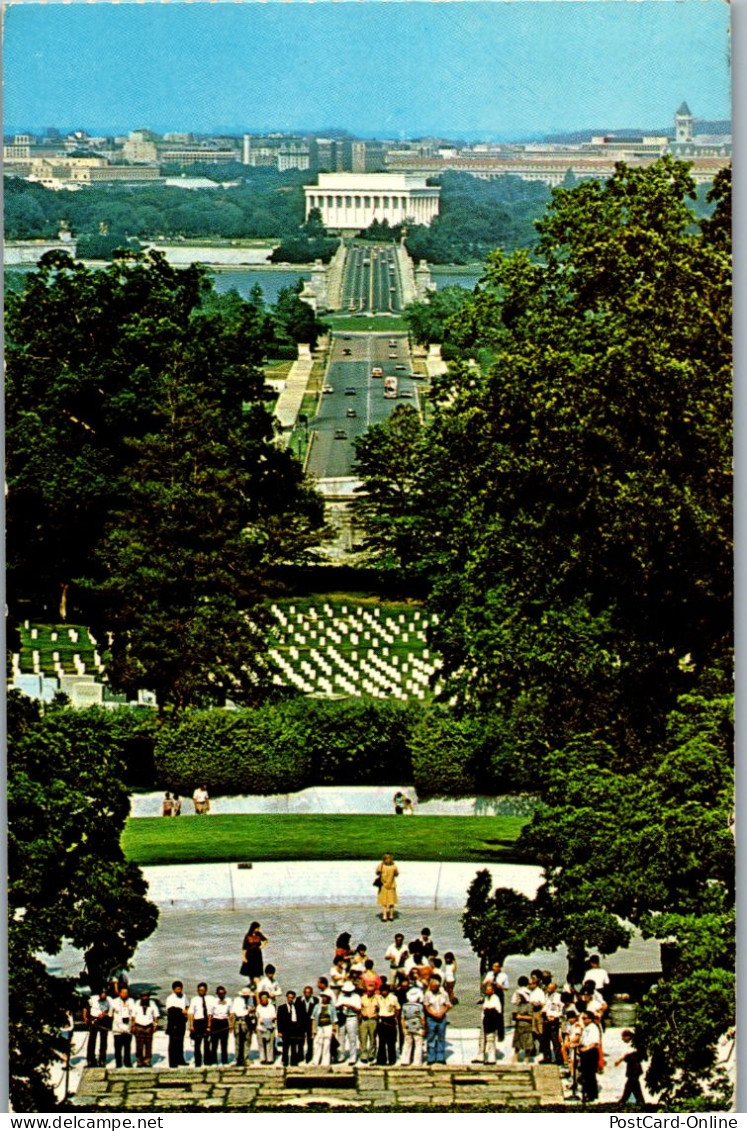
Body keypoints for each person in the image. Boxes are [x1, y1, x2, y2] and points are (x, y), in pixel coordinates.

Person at [423, 975, 452, 1064]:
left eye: (434, 987)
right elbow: (426, 1006)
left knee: (441, 1038)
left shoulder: (444, 994)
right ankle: (431, 1058)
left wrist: (441, 1013)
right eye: (431, 987)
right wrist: (434, 1014)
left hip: (441, 1017)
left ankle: (440, 1057)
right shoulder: (427, 994)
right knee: (431, 1038)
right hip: (431, 1018)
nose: (432, 989)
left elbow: (448, 1005)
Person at [616, 1029, 646, 1106]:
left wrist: (620, 1060)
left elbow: (628, 1055)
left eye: (623, 1037)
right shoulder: (632, 1044)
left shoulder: (634, 1045)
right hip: (632, 1067)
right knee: (635, 1085)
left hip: (634, 1067)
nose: (622, 1039)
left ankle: (623, 1100)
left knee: (630, 1085)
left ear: (628, 1036)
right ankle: (640, 1100)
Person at [189, 983, 216, 1068]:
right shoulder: (194, 1000)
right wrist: (191, 1025)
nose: (202, 992)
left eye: (203, 990)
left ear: (206, 990)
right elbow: (191, 1013)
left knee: (207, 1043)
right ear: (197, 991)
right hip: (198, 1022)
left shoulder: (211, 999)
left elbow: (211, 1013)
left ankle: (207, 1061)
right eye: (200, 990)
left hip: (206, 1022)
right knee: (197, 1044)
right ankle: (198, 1062)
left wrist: (209, 1025)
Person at [84, 988, 113, 1068]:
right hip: (94, 1020)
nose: (103, 996)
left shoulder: (109, 1001)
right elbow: (86, 1008)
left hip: (104, 1021)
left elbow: (111, 1012)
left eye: (105, 994)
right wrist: (85, 1017)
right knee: (92, 1041)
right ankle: (90, 1060)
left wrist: (105, 1014)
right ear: (99, 995)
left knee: (103, 1041)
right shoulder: (93, 999)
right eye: (102, 994)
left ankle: (102, 1059)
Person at [277, 990, 306, 1067]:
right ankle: (285, 1061)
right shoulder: (281, 1008)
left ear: (294, 998)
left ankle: (293, 1061)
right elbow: (279, 1020)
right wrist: (280, 1031)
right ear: (286, 997)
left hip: (294, 1030)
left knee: (294, 1047)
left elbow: (299, 1018)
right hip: (285, 1030)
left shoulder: (296, 1007)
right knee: (285, 1046)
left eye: (292, 998)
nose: (290, 999)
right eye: (289, 997)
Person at [336, 980, 362, 1065]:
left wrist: (351, 1006)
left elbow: (359, 1009)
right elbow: (337, 1006)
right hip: (343, 1017)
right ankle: (341, 1055)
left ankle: (353, 1057)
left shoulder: (356, 996)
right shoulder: (341, 996)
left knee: (352, 1038)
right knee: (341, 1038)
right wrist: (341, 1006)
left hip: (352, 1017)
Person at [578, 1011, 602, 1103]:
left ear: (590, 1019)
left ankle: (591, 1095)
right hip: (585, 1052)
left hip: (590, 1053)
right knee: (585, 1074)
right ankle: (587, 1092)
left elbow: (594, 1042)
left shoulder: (593, 1028)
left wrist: (585, 1049)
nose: (583, 1020)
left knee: (590, 1074)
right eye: (582, 1018)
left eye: (585, 1018)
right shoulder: (586, 1028)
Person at [165, 981, 189, 1067]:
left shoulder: (184, 996)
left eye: (180, 988)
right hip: (173, 1022)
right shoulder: (170, 998)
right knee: (173, 1043)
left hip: (182, 1022)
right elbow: (170, 1010)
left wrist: (186, 1012)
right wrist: (181, 1011)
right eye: (177, 989)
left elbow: (187, 1005)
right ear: (174, 989)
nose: (179, 990)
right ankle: (172, 1062)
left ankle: (180, 1059)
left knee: (180, 1042)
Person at [132, 991, 159, 1068]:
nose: (145, 998)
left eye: (147, 996)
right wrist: (133, 1026)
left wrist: (156, 1024)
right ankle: (139, 1060)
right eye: (143, 996)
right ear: (141, 997)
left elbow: (156, 1015)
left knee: (148, 1044)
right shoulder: (137, 1003)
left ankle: (147, 1060)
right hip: (139, 1026)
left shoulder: (152, 1004)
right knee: (139, 1044)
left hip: (148, 1026)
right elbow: (133, 1016)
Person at [511, 977, 535, 1063]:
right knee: (518, 1041)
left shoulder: (527, 1005)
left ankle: (525, 1057)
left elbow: (532, 1017)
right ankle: (517, 1056)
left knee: (526, 1041)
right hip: (520, 1025)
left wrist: (521, 1017)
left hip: (526, 1025)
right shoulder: (530, 993)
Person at [311, 991, 338, 1066]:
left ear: (328, 999)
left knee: (327, 1044)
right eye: (323, 997)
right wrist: (313, 1029)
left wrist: (334, 1030)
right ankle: (316, 1060)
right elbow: (313, 1018)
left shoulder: (332, 1008)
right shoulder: (317, 1006)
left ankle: (325, 1061)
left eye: (325, 997)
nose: (324, 999)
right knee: (317, 1043)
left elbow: (334, 1020)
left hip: (328, 1027)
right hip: (319, 1027)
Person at [400, 987, 426, 1066]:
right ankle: (417, 1062)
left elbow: (402, 1018)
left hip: (408, 1027)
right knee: (418, 1045)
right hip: (417, 1028)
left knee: (407, 1044)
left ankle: (405, 1060)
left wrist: (403, 1027)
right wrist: (424, 1028)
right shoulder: (419, 1006)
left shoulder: (405, 1006)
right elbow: (422, 1018)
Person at [376, 982, 401, 1065]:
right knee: (381, 1042)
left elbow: (397, 1008)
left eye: (385, 991)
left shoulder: (393, 998)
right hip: (381, 1020)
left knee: (391, 1042)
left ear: (388, 991)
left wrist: (394, 1017)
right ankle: (381, 1060)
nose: (384, 992)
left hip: (390, 1019)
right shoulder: (378, 998)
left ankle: (392, 1060)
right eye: (382, 991)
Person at [111, 987, 135, 1068]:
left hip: (128, 1028)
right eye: (123, 993)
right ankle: (118, 1063)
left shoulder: (131, 1001)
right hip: (117, 1029)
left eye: (126, 993)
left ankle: (127, 1062)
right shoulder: (114, 1002)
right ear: (119, 993)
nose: (125, 994)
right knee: (118, 1048)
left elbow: (133, 1014)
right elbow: (110, 1014)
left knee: (127, 1047)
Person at [231, 986, 255, 1067]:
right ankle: (238, 1058)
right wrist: (248, 1010)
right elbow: (237, 1012)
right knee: (238, 1041)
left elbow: (252, 1010)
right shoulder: (237, 1001)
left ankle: (246, 1057)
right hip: (239, 1022)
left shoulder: (250, 1000)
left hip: (248, 1022)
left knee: (247, 1040)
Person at [209, 986, 232, 1065]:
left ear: (225, 993)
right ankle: (213, 1061)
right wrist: (209, 1026)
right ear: (217, 994)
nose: (221, 995)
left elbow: (230, 1014)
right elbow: (210, 1014)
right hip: (215, 1022)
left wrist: (231, 1024)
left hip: (224, 1022)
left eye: (223, 993)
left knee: (224, 1043)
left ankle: (224, 1060)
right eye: (220, 993)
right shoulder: (213, 1001)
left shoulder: (229, 1001)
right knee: (214, 1043)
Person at [481, 982, 503, 1063]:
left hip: (492, 1020)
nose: (487, 991)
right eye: (487, 990)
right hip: (486, 1020)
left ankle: (491, 1057)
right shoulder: (486, 998)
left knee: (491, 1039)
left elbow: (498, 1010)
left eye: (489, 990)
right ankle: (488, 1057)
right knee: (487, 1039)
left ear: (493, 990)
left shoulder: (495, 998)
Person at [359, 985, 381, 1065]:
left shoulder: (377, 999)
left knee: (373, 1038)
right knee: (363, 1038)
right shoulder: (363, 998)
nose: (369, 992)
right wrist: (361, 1014)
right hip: (364, 1020)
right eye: (368, 991)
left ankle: (371, 1054)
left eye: (371, 991)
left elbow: (380, 1009)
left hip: (373, 1020)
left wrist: (377, 1015)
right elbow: (360, 1008)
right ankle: (364, 1054)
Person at [375, 853, 399, 922]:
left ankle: (384, 916)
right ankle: (391, 916)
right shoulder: (394, 866)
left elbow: (377, 872)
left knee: (384, 902)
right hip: (392, 885)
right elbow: (397, 874)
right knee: (391, 902)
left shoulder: (381, 865)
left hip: (383, 886)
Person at [256, 991, 277, 1064]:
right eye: (262, 998)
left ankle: (270, 1059)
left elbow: (273, 1017)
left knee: (269, 1044)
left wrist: (266, 1020)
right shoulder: (258, 1007)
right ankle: (262, 1058)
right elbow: (258, 1017)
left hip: (270, 1027)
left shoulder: (271, 1007)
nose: (264, 999)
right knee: (261, 1044)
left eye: (265, 998)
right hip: (260, 1028)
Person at [301, 986, 319, 1063]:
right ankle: (300, 1055)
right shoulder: (299, 1000)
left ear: (311, 993)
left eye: (309, 992)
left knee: (310, 1040)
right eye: (306, 992)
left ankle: (309, 1056)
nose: (307, 994)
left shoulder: (315, 1000)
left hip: (310, 1023)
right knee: (301, 1041)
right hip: (301, 1023)